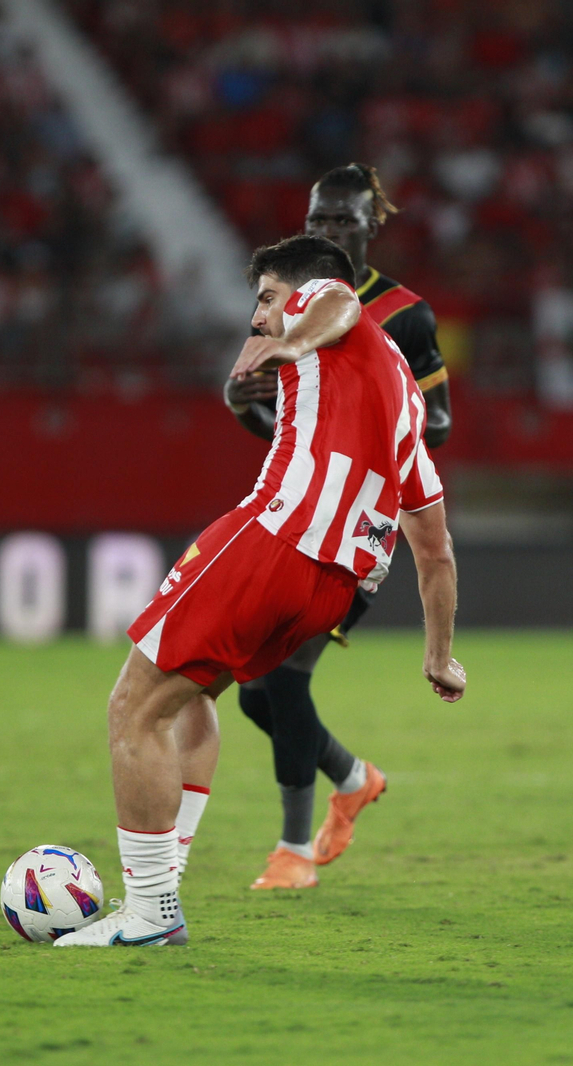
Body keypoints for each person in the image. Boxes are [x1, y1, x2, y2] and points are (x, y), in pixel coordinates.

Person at [55, 235, 466, 947]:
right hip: (330, 591)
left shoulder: (328, 311)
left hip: (277, 540)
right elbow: (435, 550)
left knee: (134, 706)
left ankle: (149, 912)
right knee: (195, 699)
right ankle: (164, 893)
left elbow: (336, 301)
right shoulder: (400, 389)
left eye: (267, 298)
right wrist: (440, 656)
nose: (258, 317)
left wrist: (285, 341)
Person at [217, 164, 452, 890]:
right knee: (257, 691)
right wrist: (241, 403)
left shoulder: (406, 314)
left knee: (282, 681)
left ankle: (293, 851)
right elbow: (291, 429)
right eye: (319, 221)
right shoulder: (286, 303)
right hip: (296, 517)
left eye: (344, 222)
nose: (329, 234)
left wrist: (382, 402)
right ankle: (352, 780)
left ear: (371, 227)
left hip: (362, 532)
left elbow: (436, 425)